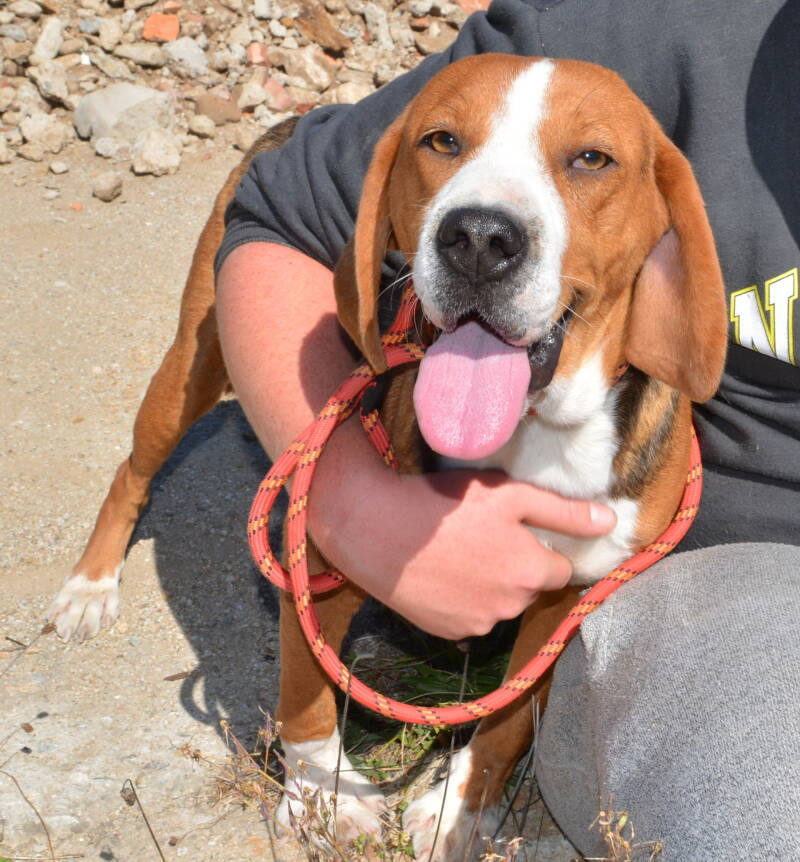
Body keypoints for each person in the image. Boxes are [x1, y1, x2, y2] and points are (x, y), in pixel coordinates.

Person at [215, 0, 800, 857]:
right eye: (445, 145)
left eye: (588, 160)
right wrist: (346, 500)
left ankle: (484, 774)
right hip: (744, 603)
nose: (484, 229)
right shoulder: (642, 26)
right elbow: (281, 216)